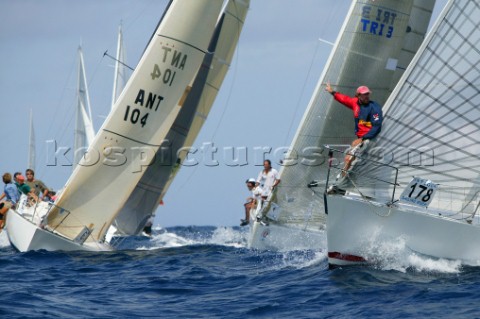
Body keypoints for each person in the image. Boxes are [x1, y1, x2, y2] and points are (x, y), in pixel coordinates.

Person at [325, 83, 383, 182]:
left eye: (367, 94)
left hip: (371, 138)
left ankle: (341, 182)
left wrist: (363, 138)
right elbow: (344, 99)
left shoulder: (374, 108)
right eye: (364, 94)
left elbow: (377, 126)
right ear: (358, 95)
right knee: (349, 159)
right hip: (362, 139)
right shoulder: (355, 102)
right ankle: (344, 181)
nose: (366, 96)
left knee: (349, 158)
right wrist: (332, 92)